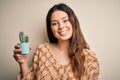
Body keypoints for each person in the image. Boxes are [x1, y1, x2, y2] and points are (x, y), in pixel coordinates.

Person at [13, 3, 99, 80]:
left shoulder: (89, 57)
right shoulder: (43, 50)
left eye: (65, 20)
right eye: (54, 23)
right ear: (50, 28)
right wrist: (23, 62)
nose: (61, 26)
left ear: (73, 22)